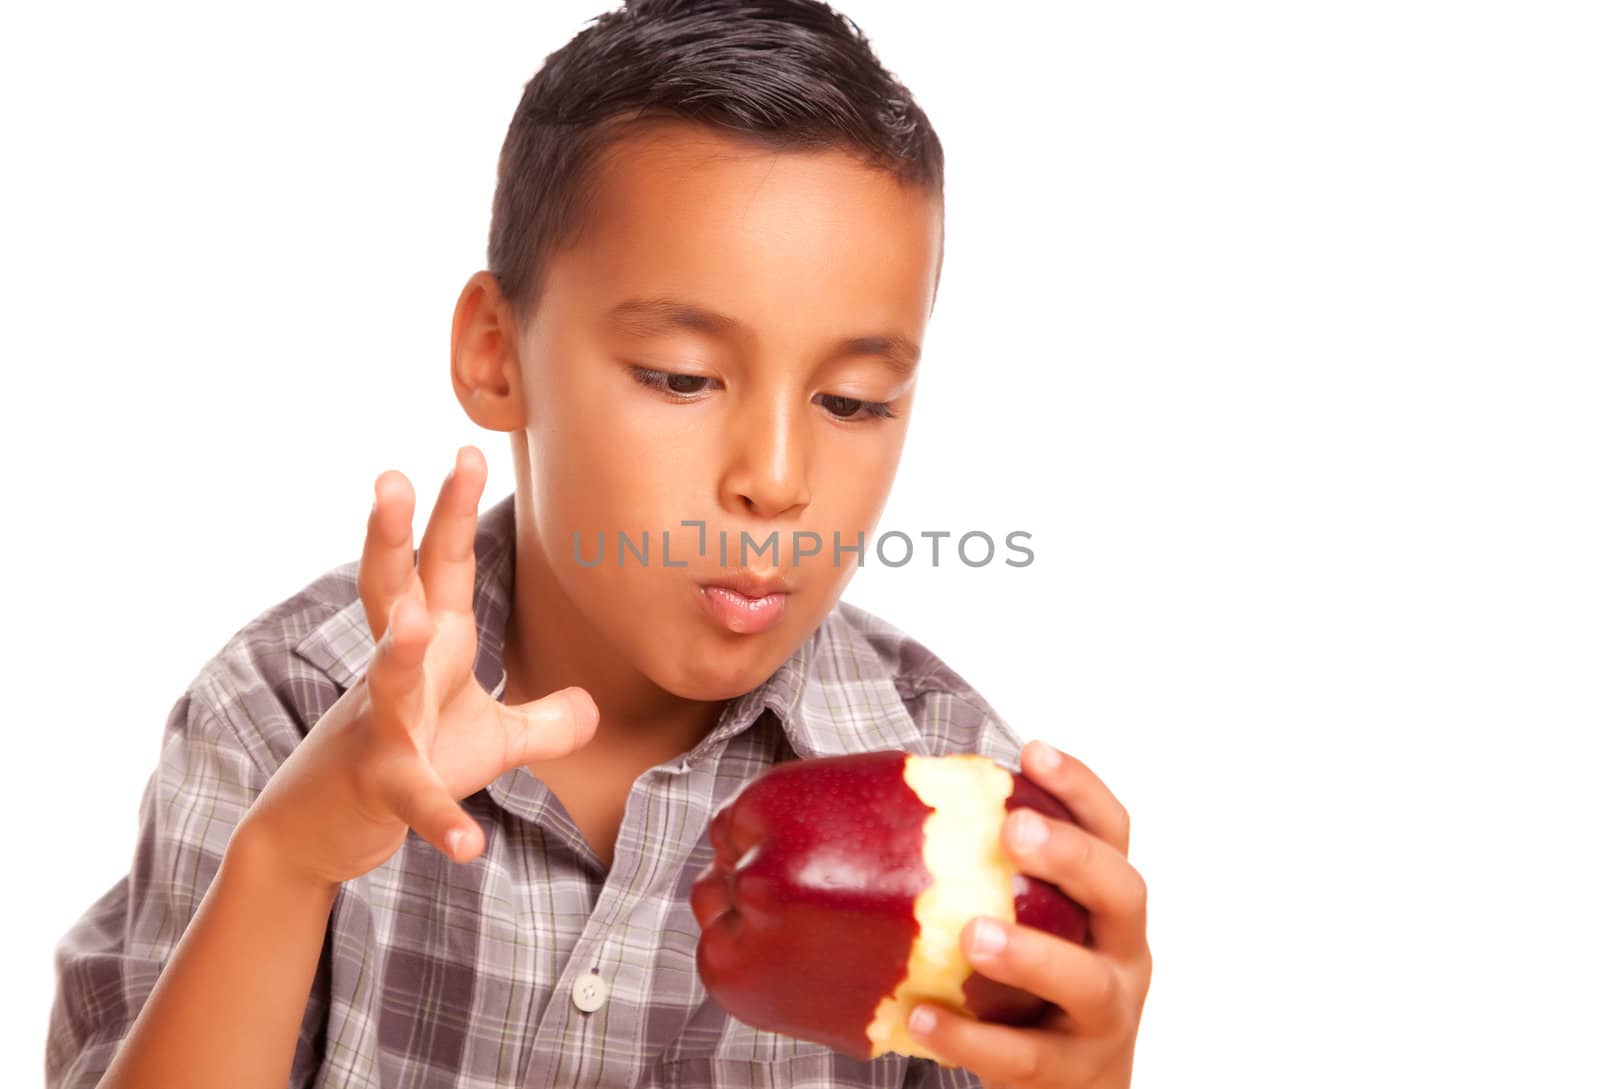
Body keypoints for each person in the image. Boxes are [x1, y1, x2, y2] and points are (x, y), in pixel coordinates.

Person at [46, 2, 1151, 1086]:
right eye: (680, 378)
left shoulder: (953, 788)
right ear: (496, 354)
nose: (775, 480)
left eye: (854, 401)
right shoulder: (280, 710)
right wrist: (291, 859)